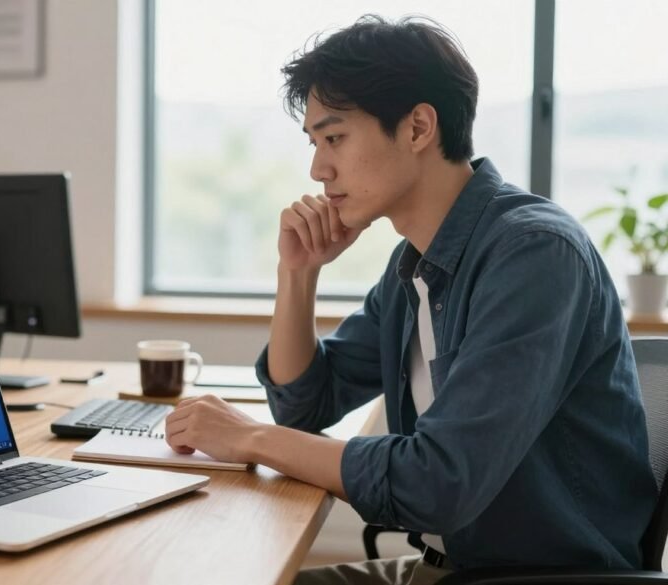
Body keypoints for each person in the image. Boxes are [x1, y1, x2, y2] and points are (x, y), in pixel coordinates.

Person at [163, 14, 658, 585]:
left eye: (334, 138)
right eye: (314, 143)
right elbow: (304, 404)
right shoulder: (418, 265)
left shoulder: (534, 255)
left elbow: (438, 483)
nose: (318, 169)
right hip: (446, 569)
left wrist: (248, 438)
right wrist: (297, 275)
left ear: (418, 127)